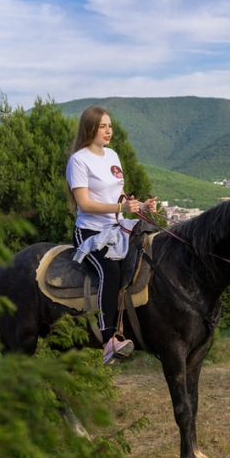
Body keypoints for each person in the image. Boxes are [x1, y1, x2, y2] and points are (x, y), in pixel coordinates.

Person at [66, 106, 157, 364]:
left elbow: (118, 193)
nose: (109, 131)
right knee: (111, 270)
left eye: (110, 126)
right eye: (103, 126)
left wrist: (137, 205)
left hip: (116, 229)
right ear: (89, 128)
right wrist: (121, 207)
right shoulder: (78, 160)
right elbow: (84, 203)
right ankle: (109, 340)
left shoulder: (113, 155)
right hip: (90, 233)